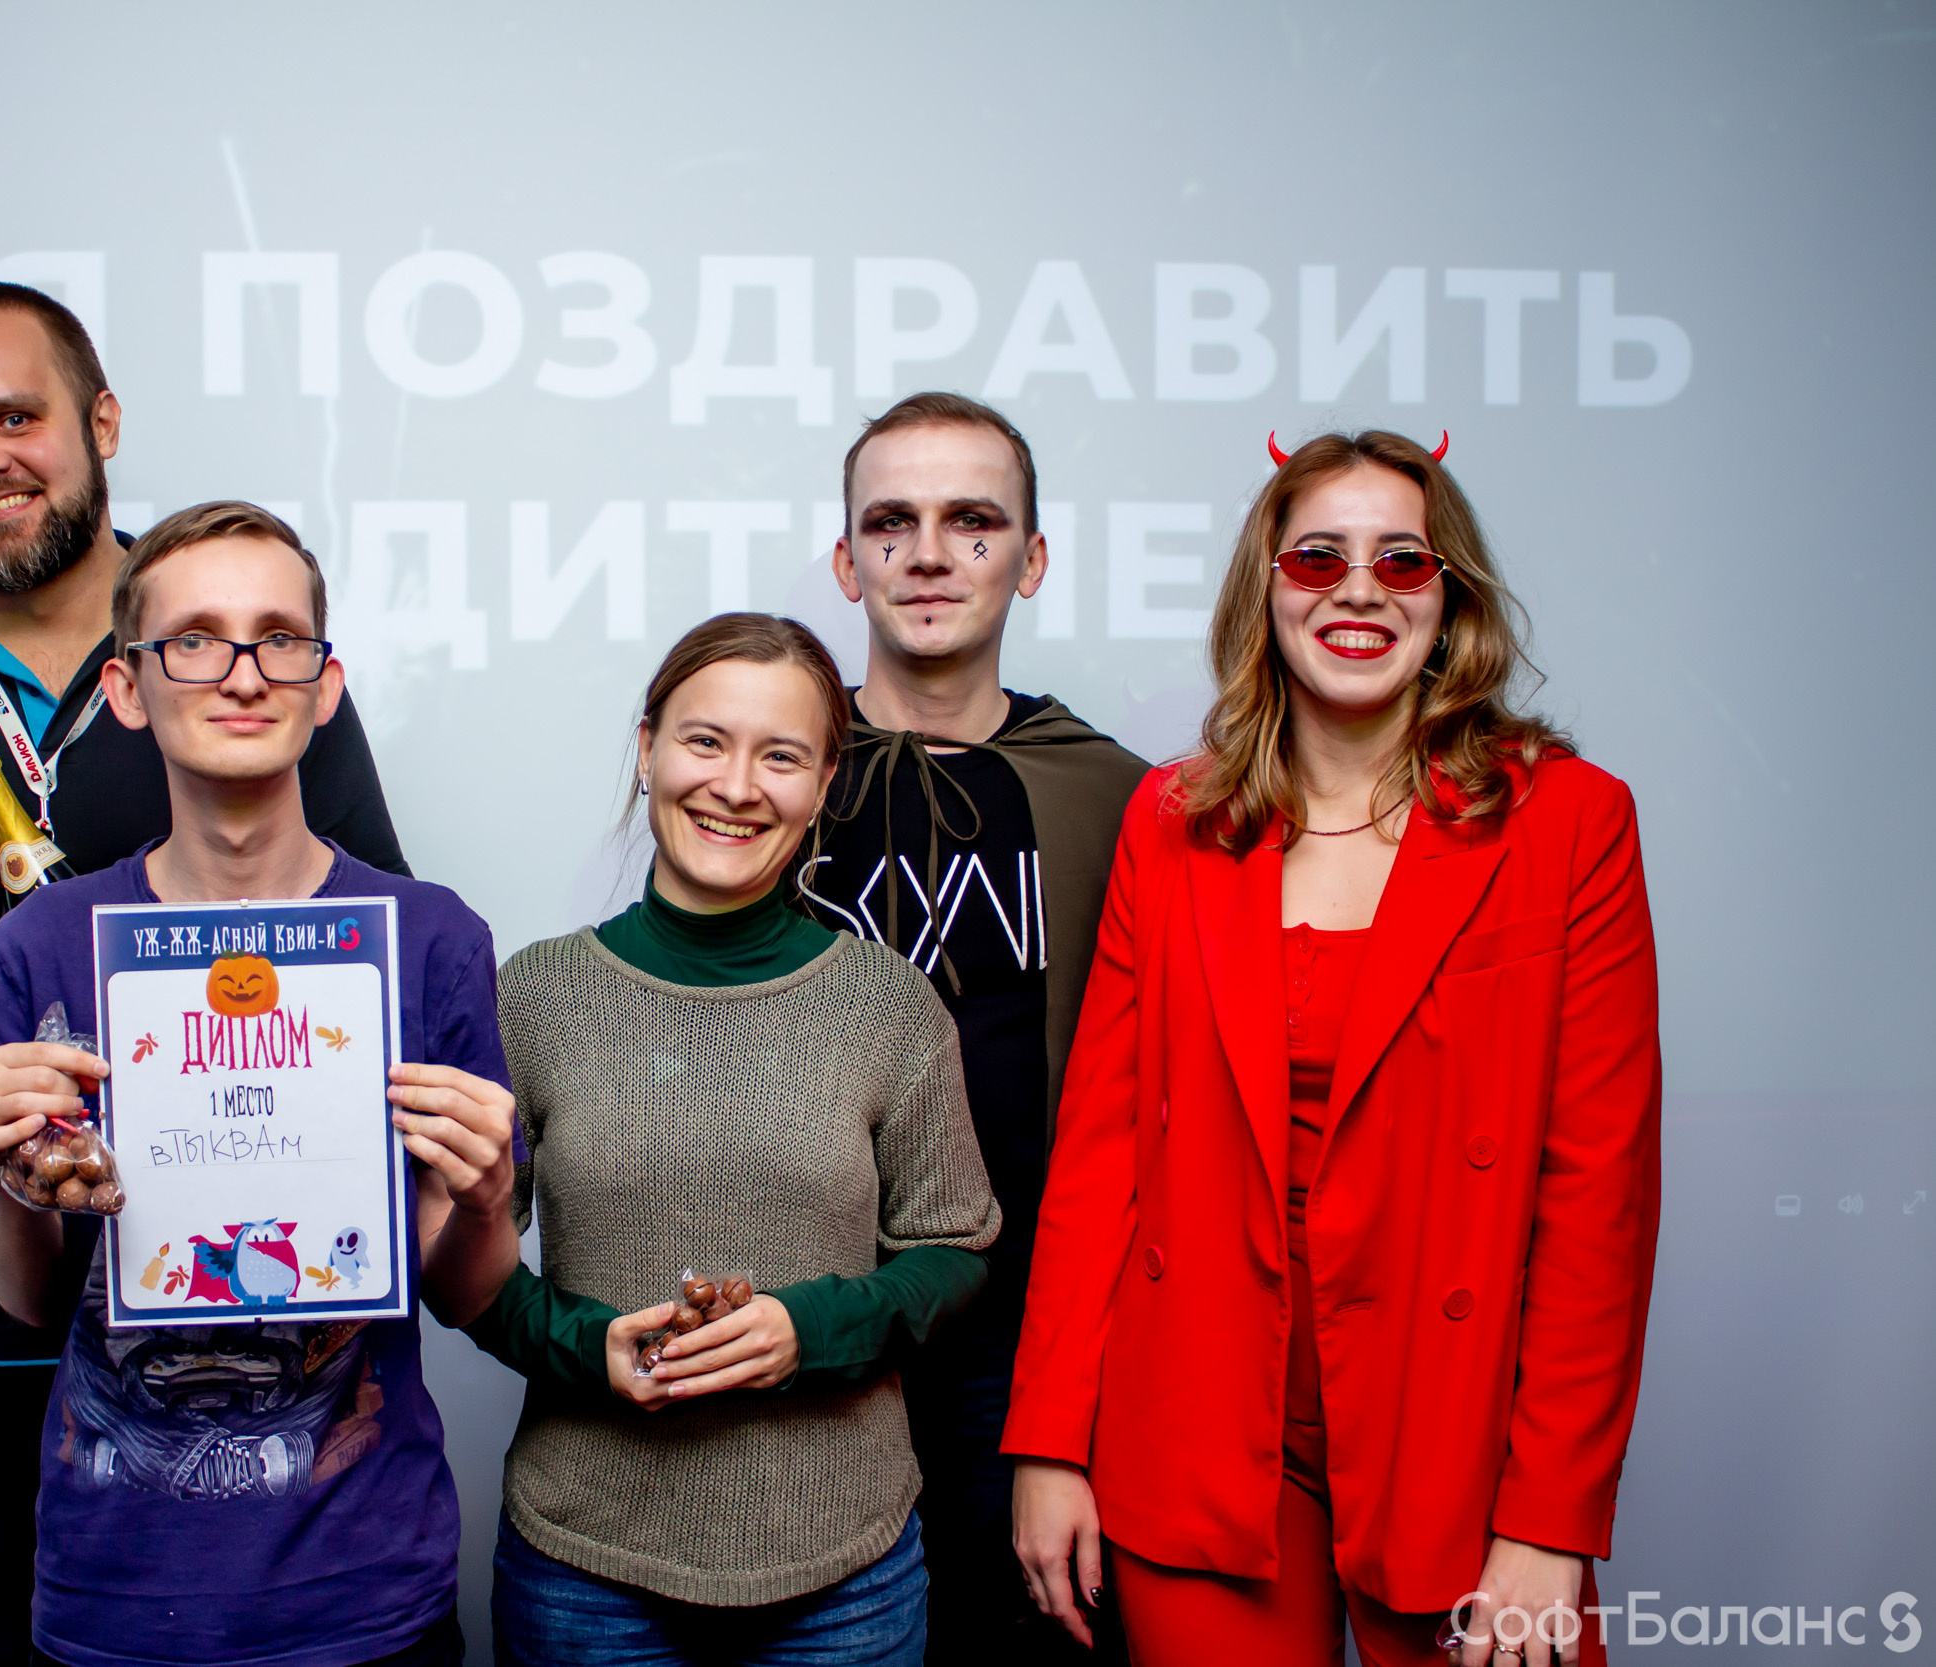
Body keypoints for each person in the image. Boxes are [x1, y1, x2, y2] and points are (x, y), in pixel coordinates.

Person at [0, 283, 406, 1666]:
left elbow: (362, 956)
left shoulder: (239, 654)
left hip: (231, 1304)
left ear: (102, 423)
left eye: (15, 416)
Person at [1008, 431, 1661, 1667]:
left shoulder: (1570, 821)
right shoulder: (1173, 818)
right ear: (1266, 588)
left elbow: (1598, 1201)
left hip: (1454, 1430)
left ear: (1449, 597)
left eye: (1400, 560)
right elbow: (1100, 1151)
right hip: (1196, 1422)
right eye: (1317, 556)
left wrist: (1548, 1517)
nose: (1358, 588)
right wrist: (1049, 1438)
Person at [0, 499, 518, 1666]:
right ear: (127, 688)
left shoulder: (429, 938)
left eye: (279, 639)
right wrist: (14, 1184)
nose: (244, 673)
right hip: (114, 1587)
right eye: (196, 640)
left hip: (364, 1586)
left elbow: (465, 1293)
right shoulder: (44, 945)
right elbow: (23, 1296)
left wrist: (486, 1192)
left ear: (326, 684)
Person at [467, 612, 1002, 1667]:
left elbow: (955, 1249)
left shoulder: (888, 1007)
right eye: (705, 740)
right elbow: (459, 1267)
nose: (737, 785)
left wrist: (812, 1329)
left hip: (844, 1579)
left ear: (824, 783)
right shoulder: (534, 996)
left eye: (782, 756)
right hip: (585, 1570)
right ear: (647, 749)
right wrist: (583, 1347)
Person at [793, 391, 1147, 1663]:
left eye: (973, 521)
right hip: (809, 1305)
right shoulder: (768, 773)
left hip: (1025, 1326)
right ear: (847, 562)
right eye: (890, 521)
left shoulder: (1115, 794)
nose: (929, 552)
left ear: (1031, 558)